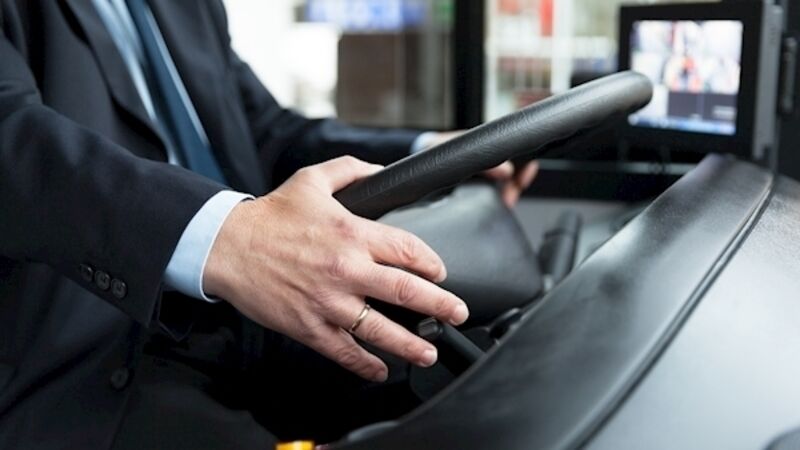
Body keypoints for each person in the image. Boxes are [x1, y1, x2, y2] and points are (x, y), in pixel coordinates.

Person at [0, 1, 538, 448]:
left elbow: (265, 133)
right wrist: (231, 237)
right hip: (92, 353)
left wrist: (428, 153)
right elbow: (14, 139)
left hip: (243, 313)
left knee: (489, 387)